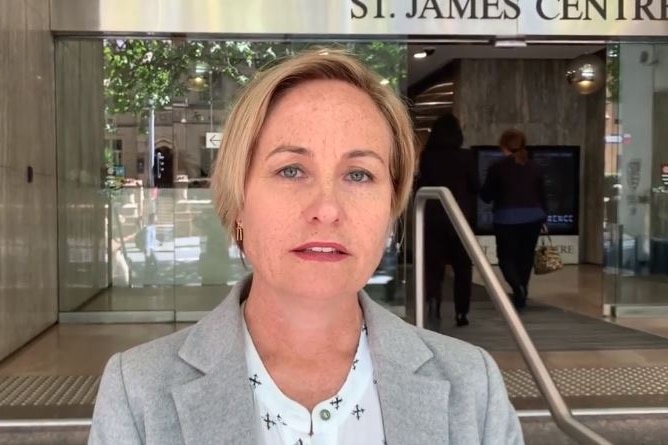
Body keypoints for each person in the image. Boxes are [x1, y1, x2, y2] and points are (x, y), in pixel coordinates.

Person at [88, 49, 523, 445]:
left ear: (392, 208)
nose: (327, 209)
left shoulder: (472, 386)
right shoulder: (139, 392)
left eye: (359, 175)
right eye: (292, 170)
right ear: (238, 202)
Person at [416, 113, 478, 327]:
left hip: (432, 217)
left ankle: (433, 302)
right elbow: (475, 186)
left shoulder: (428, 156)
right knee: (463, 266)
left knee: (433, 266)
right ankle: (462, 313)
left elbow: (421, 184)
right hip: (459, 218)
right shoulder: (466, 157)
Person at [480, 129, 547, 310]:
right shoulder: (536, 167)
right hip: (533, 217)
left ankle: (517, 288)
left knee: (505, 258)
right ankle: (522, 293)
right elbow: (542, 195)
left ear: (503, 146)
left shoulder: (497, 168)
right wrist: (544, 217)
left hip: (506, 218)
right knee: (525, 257)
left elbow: (487, 196)